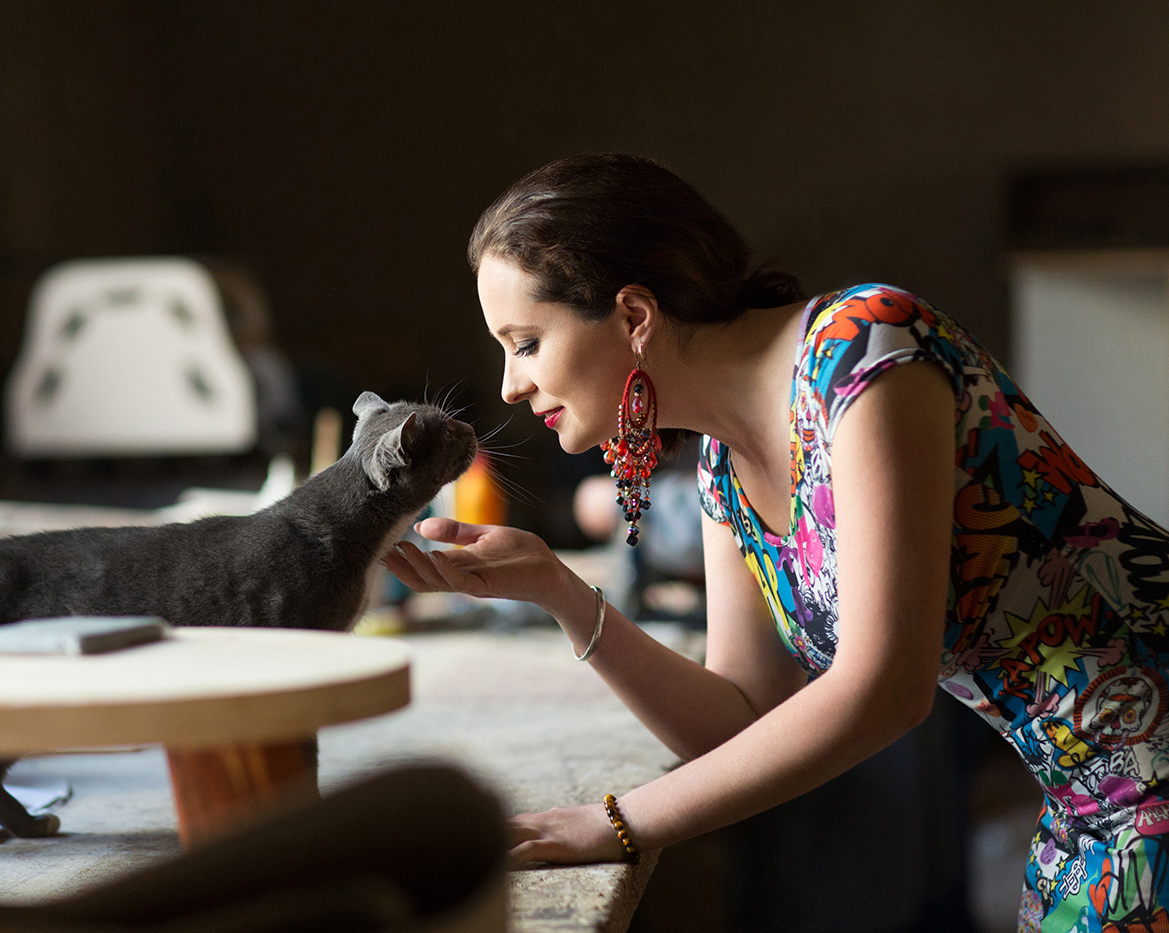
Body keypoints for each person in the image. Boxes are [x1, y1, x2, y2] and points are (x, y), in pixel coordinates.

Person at [382, 152, 1169, 932]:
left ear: (633, 317)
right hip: (1090, 796)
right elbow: (738, 718)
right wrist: (556, 589)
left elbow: (886, 689)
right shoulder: (725, 468)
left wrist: (615, 821)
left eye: (524, 342)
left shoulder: (862, 348)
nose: (510, 384)